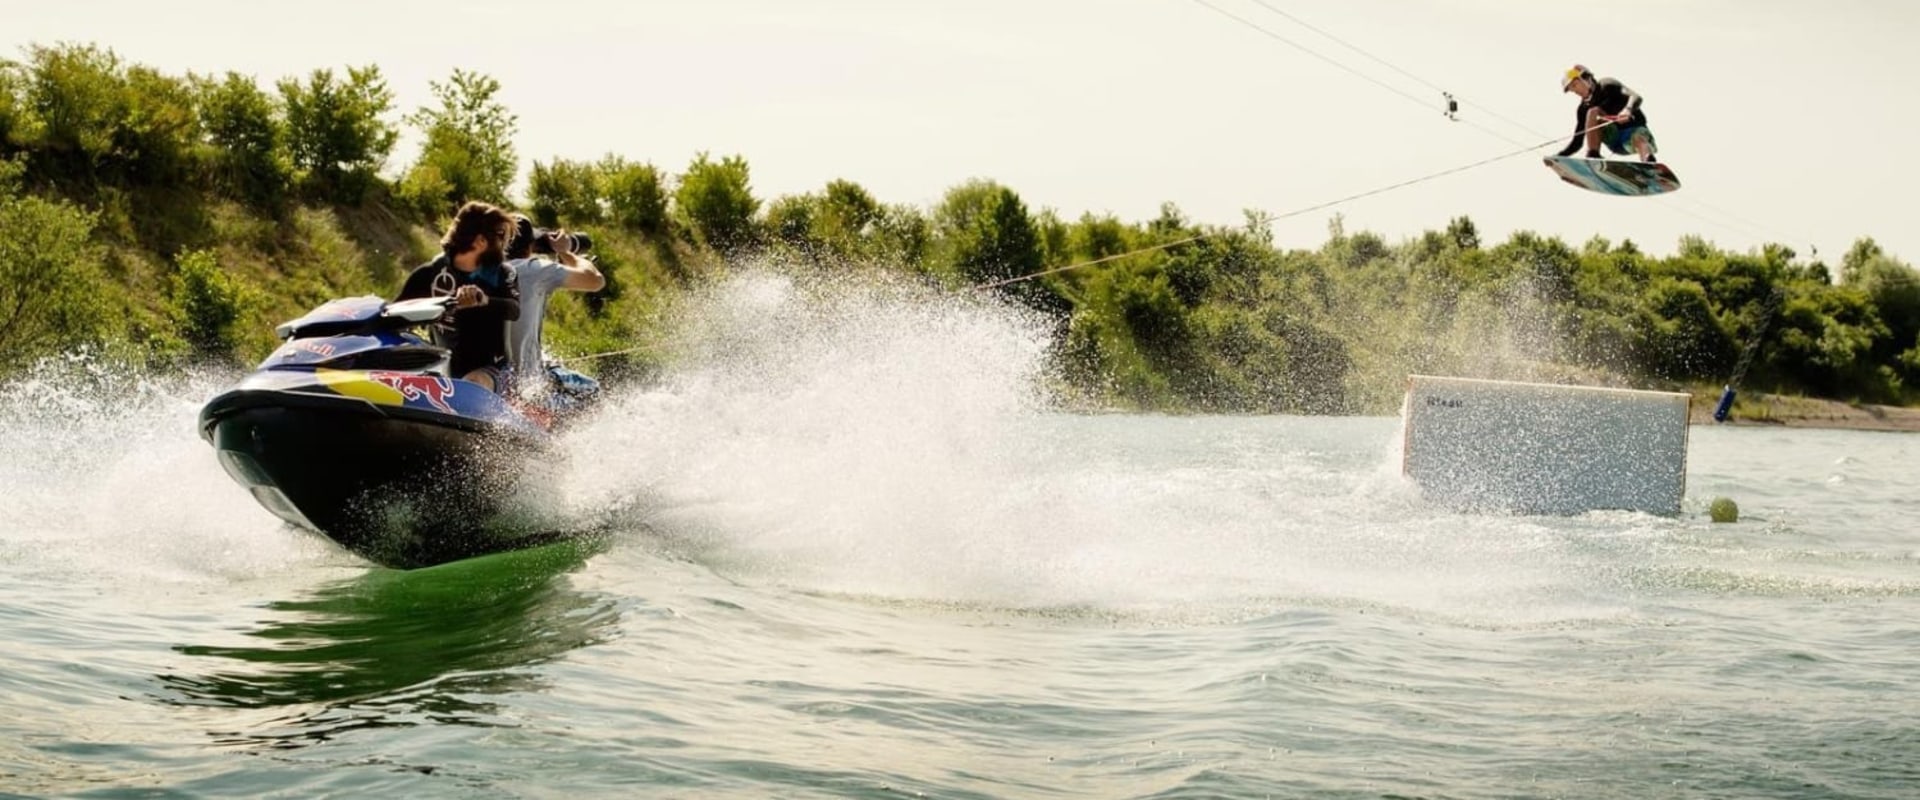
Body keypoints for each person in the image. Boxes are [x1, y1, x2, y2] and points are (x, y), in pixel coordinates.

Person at [396, 201, 522, 393]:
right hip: (443, 368)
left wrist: (483, 300)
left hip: (493, 371)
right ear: (481, 242)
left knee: (472, 384)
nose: (504, 246)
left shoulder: (503, 274)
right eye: (501, 237)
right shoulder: (429, 274)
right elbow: (395, 315)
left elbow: (514, 310)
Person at [503, 214, 605, 405]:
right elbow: (595, 280)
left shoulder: (476, 268)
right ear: (530, 247)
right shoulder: (532, 269)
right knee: (592, 390)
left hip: (494, 379)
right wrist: (566, 252)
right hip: (527, 385)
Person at [1555, 64, 1658, 163]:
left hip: (1634, 133)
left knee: (1638, 138)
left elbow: (1635, 96)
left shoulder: (1607, 85)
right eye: (1571, 89)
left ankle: (1649, 163)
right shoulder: (1583, 109)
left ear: (1587, 78)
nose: (1575, 91)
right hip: (1614, 141)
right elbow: (1577, 142)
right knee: (1593, 112)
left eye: (1575, 85)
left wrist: (1628, 110)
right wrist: (1558, 158)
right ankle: (1593, 155)